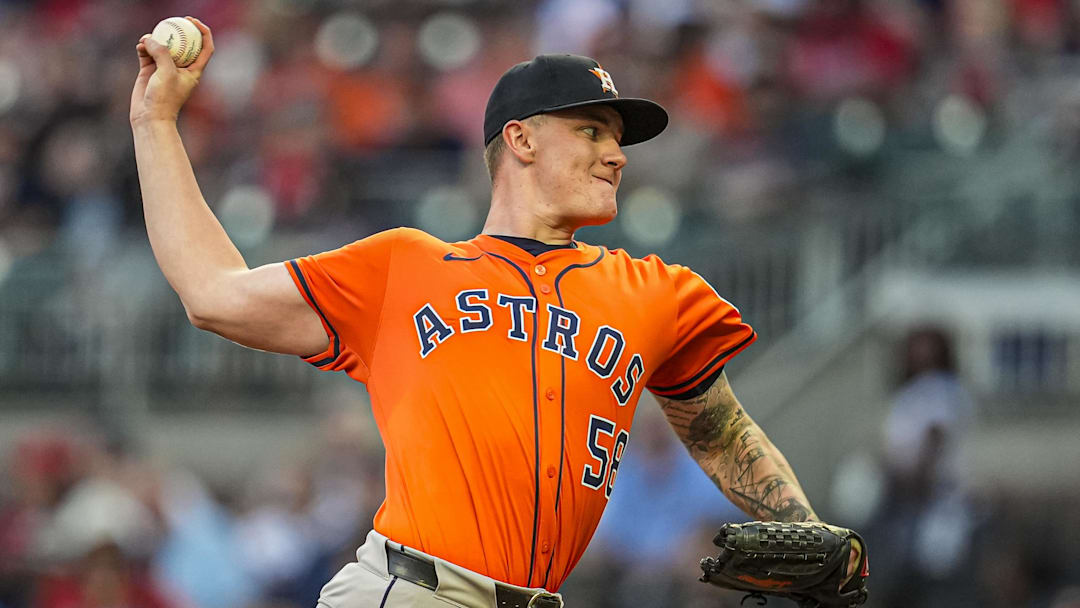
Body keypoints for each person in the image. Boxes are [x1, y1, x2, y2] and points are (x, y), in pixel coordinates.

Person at [130, 18, 852, 608]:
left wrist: (807, 533)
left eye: (617, 138)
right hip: (412, 594)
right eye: (593, 131)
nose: (618, 156)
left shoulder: (655, 291)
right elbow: (214, 294)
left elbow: (720, 432)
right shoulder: (405, 267)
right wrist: (156, 120)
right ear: (522, 138)